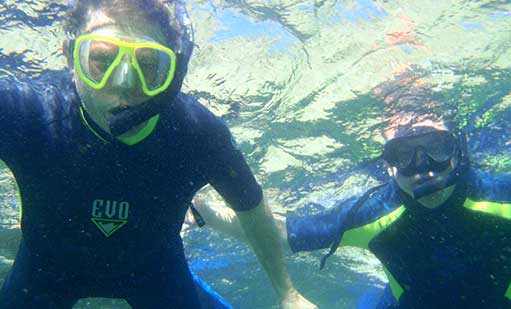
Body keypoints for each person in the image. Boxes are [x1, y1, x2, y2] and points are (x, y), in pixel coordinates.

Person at [0, 1, 316, 308]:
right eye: (102, 58)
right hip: (45, 270)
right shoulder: (27, 113)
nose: (123, 83)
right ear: (70, 57)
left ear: (173, 73)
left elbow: (251, 207)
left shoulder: (199, 133)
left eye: (148, 65)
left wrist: (287, 293)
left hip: (153, 272)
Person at [193, 115, 511, 308]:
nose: (422, 169)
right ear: (389, 165)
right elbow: (279, 231)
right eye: (403, 154)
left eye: (438, 149)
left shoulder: (501, 196)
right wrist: (201, 210)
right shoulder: (374, 212)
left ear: (458, 153)